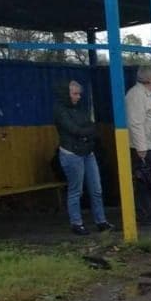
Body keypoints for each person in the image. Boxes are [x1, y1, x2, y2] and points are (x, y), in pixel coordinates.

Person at [53, 80, 111, 236]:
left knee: (96, 189)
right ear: (67, 93)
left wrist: (85, 133)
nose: (78, 97)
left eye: (79, 94)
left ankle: (101, 221)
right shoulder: (60, 110)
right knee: (76, 190)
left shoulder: (81, 109)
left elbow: (92, 127)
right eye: (75, 93)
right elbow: (74, 130)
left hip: (87, 152)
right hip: (71, 154)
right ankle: (76, 223)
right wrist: (86, 133)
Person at [125, 65, 151, 224]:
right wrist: (141, 147)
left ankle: (150, 212)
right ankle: (144, 215)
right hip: (145, 147)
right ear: (149, 79)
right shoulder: (137, 95)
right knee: (144, 182)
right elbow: (135, 123)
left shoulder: (147, 94)